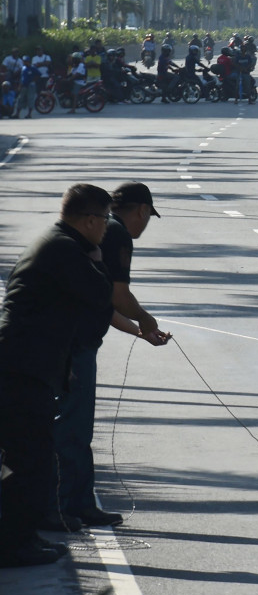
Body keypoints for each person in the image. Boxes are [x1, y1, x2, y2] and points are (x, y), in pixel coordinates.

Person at [0, 184, 115, 567]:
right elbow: (100, 297)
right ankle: (17, 544)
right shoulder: (67, 250)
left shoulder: (57, 243)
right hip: (22, 366)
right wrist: (98, 258)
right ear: (89, 220)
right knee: (29, 458)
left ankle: (22, 538)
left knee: (28, 454)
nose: (106, 228)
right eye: (105, 220)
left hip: (25, 363)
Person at [48, 182, 169, 532]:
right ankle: (62, 506)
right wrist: (145, 318)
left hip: (76, 341)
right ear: (142, 210)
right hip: (74, 347)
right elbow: (118, 295)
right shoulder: (117, 233)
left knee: (77, 428)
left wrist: (139, 331)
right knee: (71, 429)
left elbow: (103, 303)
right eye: (148, 217)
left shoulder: (103, 232)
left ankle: (81, 504)